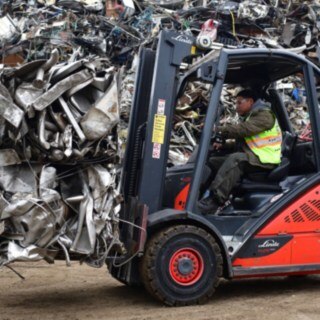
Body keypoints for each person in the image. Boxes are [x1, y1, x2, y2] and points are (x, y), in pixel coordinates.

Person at [198, 89, 282, 214]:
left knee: (235, 159)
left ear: (250, 101)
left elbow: (243, 130)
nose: (236, 106)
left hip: (265, 160)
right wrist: (224, 145)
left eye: (239, 103)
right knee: (213, 162)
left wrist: (217, 129)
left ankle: (215, 201)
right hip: (255, 155)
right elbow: (244, 142)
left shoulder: (265, 115)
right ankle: (198, 194)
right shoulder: (251, 116)